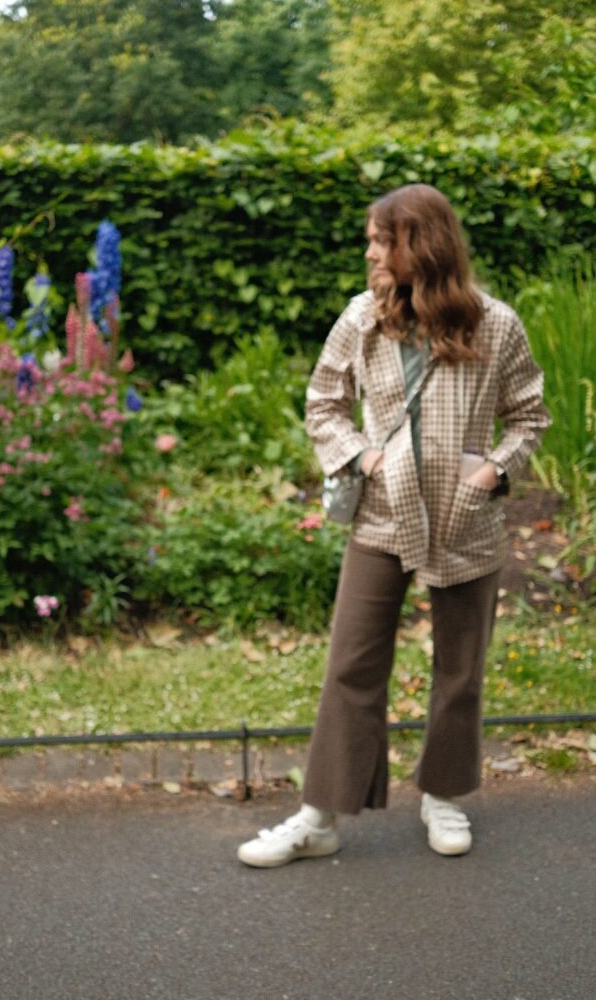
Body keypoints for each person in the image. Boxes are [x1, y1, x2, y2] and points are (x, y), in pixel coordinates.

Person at [237, 183, 550, 868]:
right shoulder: (361, 320)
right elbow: (322, 402)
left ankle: (443, 796)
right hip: (382, 514)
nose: (371, 251)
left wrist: (493, 472)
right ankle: (318, 817)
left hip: (465, 518)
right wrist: (360, 454)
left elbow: (528, 416)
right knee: (351, 664)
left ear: (422, 246)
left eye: (384, 240)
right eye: (372, 239)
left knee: (458, 670)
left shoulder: (493, 324)